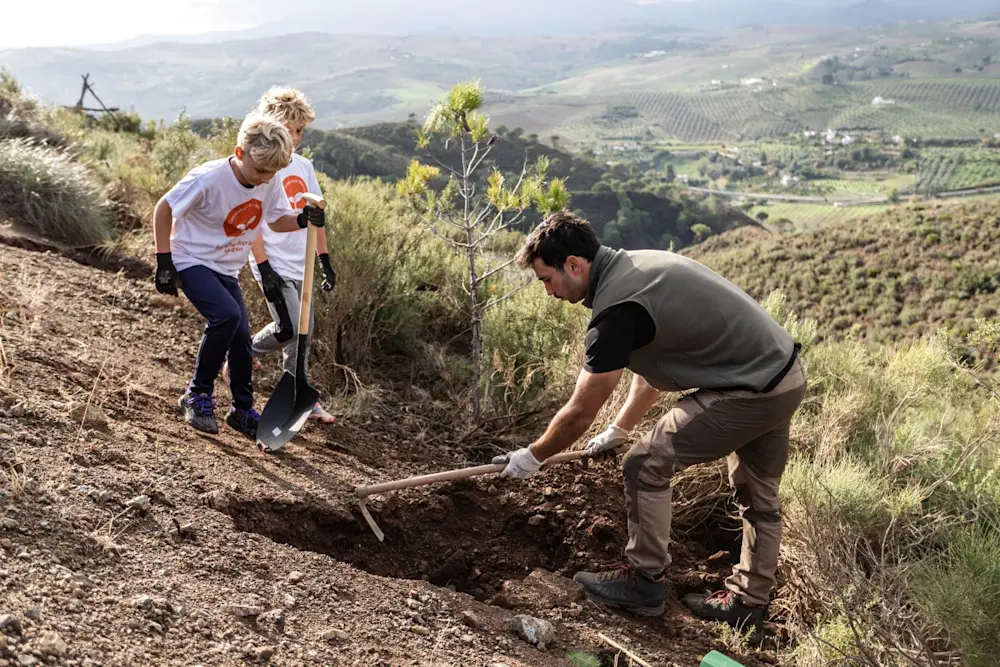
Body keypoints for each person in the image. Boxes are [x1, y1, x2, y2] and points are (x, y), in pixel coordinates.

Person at [492, 211, 807, 633]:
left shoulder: (617, 311)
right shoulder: (634, 269)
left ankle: (643, 581)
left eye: (546, 278)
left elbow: (580, 411)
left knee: (644, 465)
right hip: (785, 377)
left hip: (750, 390)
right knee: (759, 494)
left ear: (574, 265)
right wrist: (619, 429)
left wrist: (533, 457)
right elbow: (652, 366)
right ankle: (748, 603)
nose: (548, 291)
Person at [152, 110, 326, 439]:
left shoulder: (269, 179)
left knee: (242, 341)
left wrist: (302, 219)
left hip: (226, 267)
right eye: (260, 170)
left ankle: (242, 410)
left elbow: (275, 220)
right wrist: (164, 261)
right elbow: (164, 208)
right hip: (191, 259)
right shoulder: (208, 178)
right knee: (227, 317)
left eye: (272, 172)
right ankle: (197, 395)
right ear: (239, 153)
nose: (265, 178)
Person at [222, 86, 337, 425]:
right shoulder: (264, 164)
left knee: (303, 333)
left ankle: (300, 395)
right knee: (288, 329)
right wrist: (263, 265)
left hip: (301, 261)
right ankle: (242, 353)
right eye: (292, 129)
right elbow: (253, 219)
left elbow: (317, 215)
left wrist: (324, 259)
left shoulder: (304, 167)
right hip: (271, 258)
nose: (297, 137)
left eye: (301, 131)